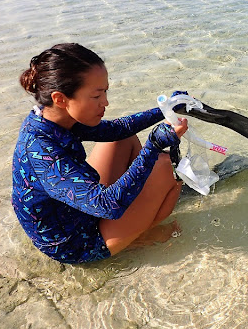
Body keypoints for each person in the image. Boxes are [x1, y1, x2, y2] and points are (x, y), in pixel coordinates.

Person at [12, 43, 188, 264]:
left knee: (124, 139)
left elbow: (118, 129)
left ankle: (141, 212)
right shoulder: (40, 150)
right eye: (97, 96)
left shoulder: (52, 118)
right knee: (164, 167)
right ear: (60, 98)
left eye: (105, 91)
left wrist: (167, 109)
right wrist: (153, 146)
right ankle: (135, 238)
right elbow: (108, 206)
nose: (106, 102)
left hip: (78, 212)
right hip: (76, 243)